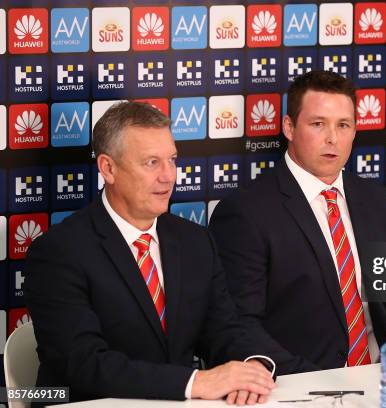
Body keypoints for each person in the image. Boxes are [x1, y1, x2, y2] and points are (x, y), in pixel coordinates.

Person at [24, 102, 276, 405]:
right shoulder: (59, 252)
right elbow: (83, 364)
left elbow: (224, 331)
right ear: (108, 168)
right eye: (151, 163)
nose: (169, 176)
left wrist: (252, 365)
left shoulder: (195, 241)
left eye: (172, 160)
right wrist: (195, 382)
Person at [209, 70, 386, 375]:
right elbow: (240, 327)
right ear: (289, 127)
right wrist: (312, 381)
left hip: (383, 380)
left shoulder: (377, 201)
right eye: (318, 124)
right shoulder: (245, 212)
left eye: (343, 125)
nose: (332, 138)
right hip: (300, 386)